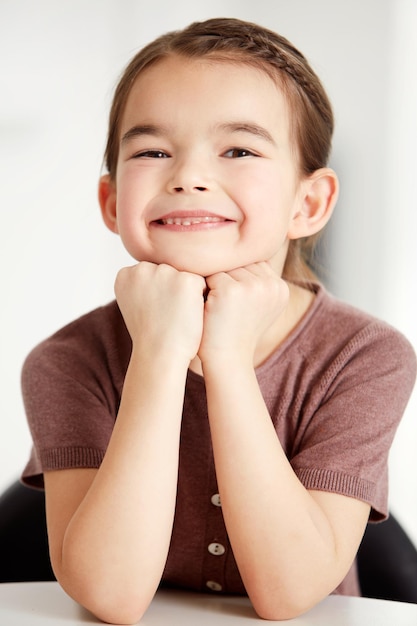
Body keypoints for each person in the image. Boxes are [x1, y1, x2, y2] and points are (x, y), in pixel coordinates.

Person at [21, 17, 416, 624]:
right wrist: (157, 355)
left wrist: (227, 359)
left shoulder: (367, 356)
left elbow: (288, 595)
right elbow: (111, 597)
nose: (187, 177)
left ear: (307, 203)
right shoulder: (66, 361)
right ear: (112, 201)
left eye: (238, 149)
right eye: (152, 151)